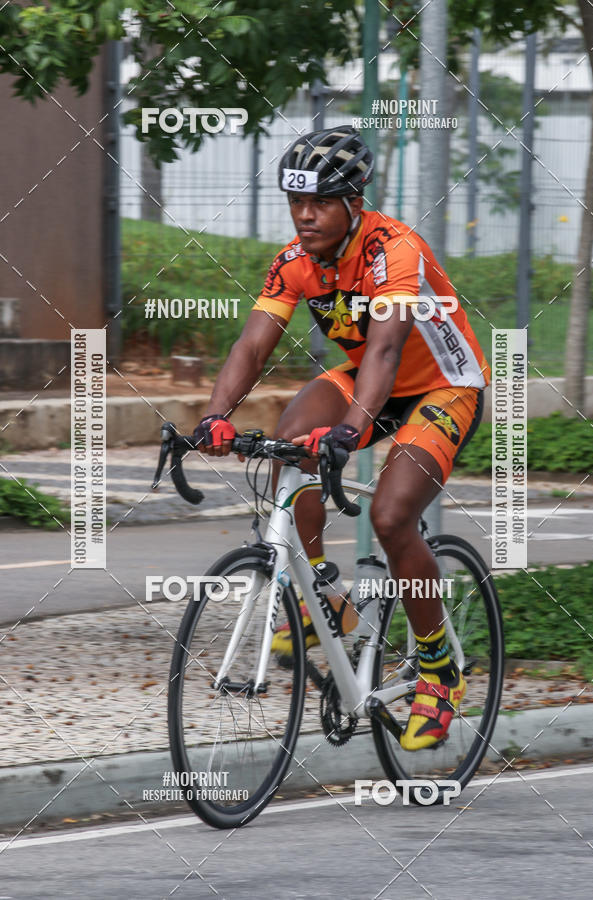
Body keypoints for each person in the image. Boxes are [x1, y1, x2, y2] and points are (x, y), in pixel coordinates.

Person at [193, 126, 490, 751]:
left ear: (355, 201)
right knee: (287, 440)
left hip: (441, 385)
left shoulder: (393, 250)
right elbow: (252, 343)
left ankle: (438, 668)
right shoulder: (293, 262)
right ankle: (321, 595)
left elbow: (385, 347)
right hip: (365, 379)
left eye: (321, 202)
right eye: (296, 201)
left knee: (390, 514)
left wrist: (352, 429)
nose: (305, 215)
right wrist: (214, 416)